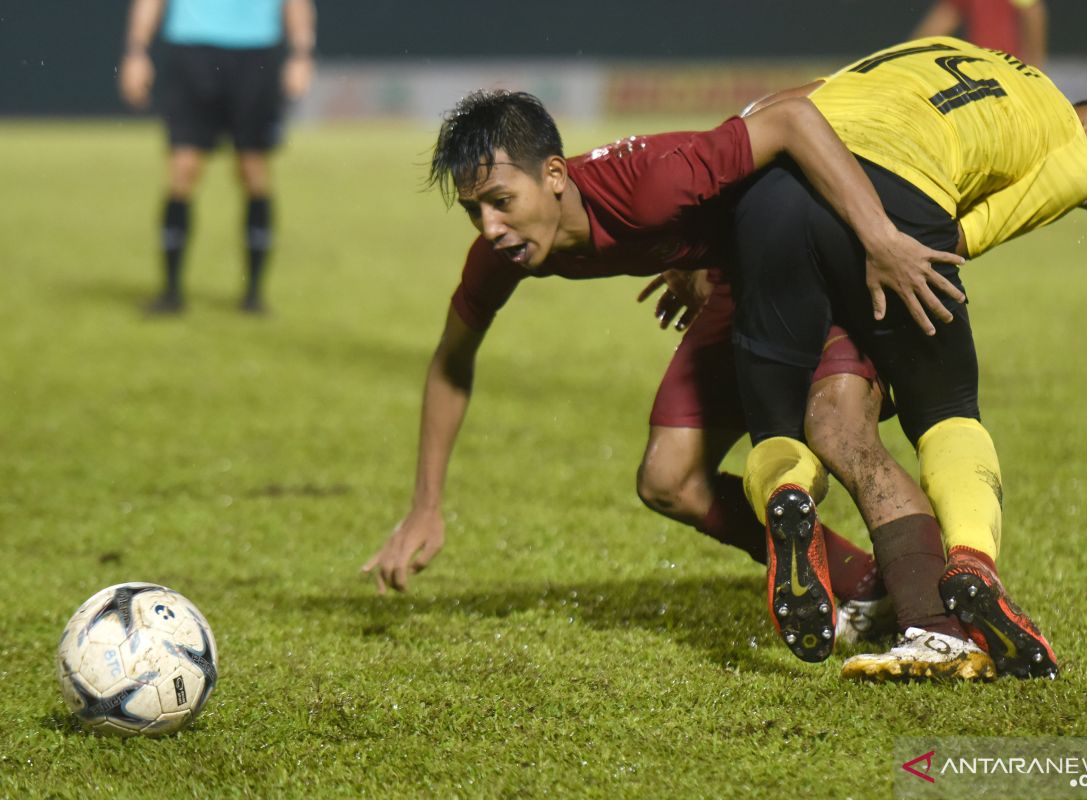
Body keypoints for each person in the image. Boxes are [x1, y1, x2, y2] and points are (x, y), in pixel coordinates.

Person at [361, 89, 996, 680]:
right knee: (669, 480)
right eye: (474, 210)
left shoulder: (651, 181)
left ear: (554, 177)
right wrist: (425, 505)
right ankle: (866, 584)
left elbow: (793, 117)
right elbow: (451, 359)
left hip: (812, 262)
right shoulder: (504, 253)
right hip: (736, 279)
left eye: (501, 201)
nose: (490, 227)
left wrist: (880, 239)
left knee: (838, 431)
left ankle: (941, 614)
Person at [729, 36, 1087, 679]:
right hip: (896, 199)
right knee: (948, 407)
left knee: (778, 422)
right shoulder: (1065, 154)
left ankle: (786, 494)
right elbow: (951, 242)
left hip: (775, 189)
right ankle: (973, 563)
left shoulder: (951, 49)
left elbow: (793, 102)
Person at [118, 0, 317, 314]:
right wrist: (136, 52)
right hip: (191, 52)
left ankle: (253, 294)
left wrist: (302, 53)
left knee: (253, 170)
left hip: (255, 54)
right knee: (183, 168)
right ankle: (171, 292)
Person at [912, 0, 1048, 69]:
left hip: (1008, 68)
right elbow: (939, 23)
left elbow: (1033, 14)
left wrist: (1035, 66)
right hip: (977, 70)